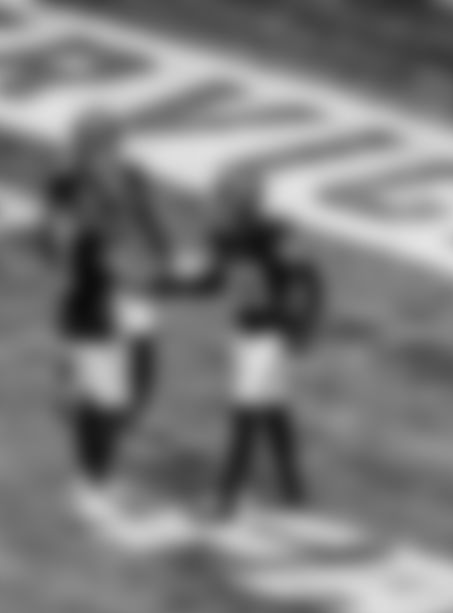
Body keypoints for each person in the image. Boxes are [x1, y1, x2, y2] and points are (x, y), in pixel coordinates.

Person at [38, 112, 171, 517]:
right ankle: (94, 477)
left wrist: (160, 257)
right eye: (102, 144)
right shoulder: (67, 186)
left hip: (128, 284)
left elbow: (148, 222)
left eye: (112, 143)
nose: (111, 151)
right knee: (104, 392)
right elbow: (53, 242)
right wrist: (76, 245)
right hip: (99, 292)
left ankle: (106, 455)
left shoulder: (131, 177)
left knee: (141, 369)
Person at [204, 172, 328, 523]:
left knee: (245, 416)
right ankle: (292, 490)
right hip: (245, 335)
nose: (220, 208)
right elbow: (213, 282)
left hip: (270, 337)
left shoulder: (275, 234)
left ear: (244, 205)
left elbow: (311, 280)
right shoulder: (223, 238)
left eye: (227, 202)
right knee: (274, 412)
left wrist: (305, 326)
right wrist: (166, 284)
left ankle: (227, 497)